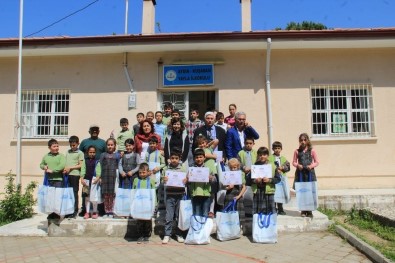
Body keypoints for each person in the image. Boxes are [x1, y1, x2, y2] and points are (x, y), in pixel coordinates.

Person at [79, 124, 106, 216]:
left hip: (96, 173)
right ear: (89, 131)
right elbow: (80, 154)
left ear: (99, 131)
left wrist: (100, 176)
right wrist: (82, 176)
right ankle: (85, 210)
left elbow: (105, 155)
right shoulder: (84, 142)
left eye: (96, 130)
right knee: (86, 194)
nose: (94, 131)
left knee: (96, 194)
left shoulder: (102, 142)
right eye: (92, 130)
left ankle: (98, 210)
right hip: (87, 174)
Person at [161, 150, 188, 244]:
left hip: (180, 195)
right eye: (172, 158)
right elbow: (162, 181)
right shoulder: (166, 169)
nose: (174, 160)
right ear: (169, 159)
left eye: (176, 158)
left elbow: (186, 181)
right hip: (169, 195)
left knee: (178, 216)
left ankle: (178, 234)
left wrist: (186, 180)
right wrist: (164, 180)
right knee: (169, 216)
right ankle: (167, 234)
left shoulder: (183, 169)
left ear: (179, 159)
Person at [292, 133, 319, 218]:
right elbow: (293, 162)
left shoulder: (312, 151)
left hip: (309, 173)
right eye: (301, 140)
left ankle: (310, 210)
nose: (303, 142)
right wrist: (297, 165)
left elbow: (317, 162)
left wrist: (311, 166)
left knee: (310, 191)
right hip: (300, 174)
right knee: (302, 191)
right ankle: (303, 210)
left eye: (304, 140)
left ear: (307, 140)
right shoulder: (297, 151)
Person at [247, 147, 281, 216]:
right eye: (260, 155)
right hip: (258, 191)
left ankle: (270, 226)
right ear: (258, 156)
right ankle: (258, 226)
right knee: (258, 212)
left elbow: (278, 179)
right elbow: (248, 180)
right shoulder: (255, 166)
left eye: (264, 155)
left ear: (268, 155)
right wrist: (255, 180)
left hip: (268, 192)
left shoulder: (273, 166)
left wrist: (269, 180)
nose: (262, 156)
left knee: (269, 211)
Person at [39, 139, 66, 221]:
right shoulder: (46, 156)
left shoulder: (61, 156)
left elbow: (62, 165)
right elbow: (41, 164)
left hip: (58, 180)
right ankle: (51, 213)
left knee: (57, 198)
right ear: (49, 147)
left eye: (57, 146)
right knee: (50, 198)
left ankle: (57, 214)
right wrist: (44, 167)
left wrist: (53, 170)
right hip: (49, 180)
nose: (56, 148)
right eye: (54, 146)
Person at [187, 148, 217, 217]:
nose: (199, 159)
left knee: (205, 213)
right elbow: (188, 182)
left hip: (206, 195)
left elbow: (214, 181)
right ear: (194, 158)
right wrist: (188, 179)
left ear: (204, 158)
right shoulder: (191, 169)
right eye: (197, 157)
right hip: (195, 194)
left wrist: (211, 178)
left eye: (201, 157)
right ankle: (197, 227)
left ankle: (204, 227)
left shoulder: (208, 168)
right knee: (197, 214)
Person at [195, 135, 219, 218]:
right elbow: (204, 155)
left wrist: (208, 145)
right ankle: (204, 209)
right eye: (199, 144)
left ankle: (211, 211)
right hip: (203, 174)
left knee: (212, 192)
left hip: (212, 173)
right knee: (205, 192)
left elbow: (216, 140)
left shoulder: (209, 148)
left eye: (203, 143)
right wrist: (214, 156)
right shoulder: (197, 150)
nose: (201, 145)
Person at [133, 163, 156, 244]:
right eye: (140, 173)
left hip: (148, 205)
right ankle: (140, 235)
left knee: (147, 221)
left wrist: (154, 204)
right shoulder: (136, 180)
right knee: (139, 221)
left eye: (144, 172)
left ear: (148, 172)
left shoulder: (151, 181)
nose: (142, 174)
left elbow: (153, 194)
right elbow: (133, 192)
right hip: (139, 205)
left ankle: (146, 235)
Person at [63, 135, 84, 218]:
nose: (72, 146)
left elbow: (80, 165)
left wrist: (70, 168)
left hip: (75, 174)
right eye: (71, 145)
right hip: (67, 175)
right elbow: (65, 162)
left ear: (78, 144)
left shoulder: (80, 153)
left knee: (74, 192)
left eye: (74, 145)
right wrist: (65, 169)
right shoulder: (68, 152)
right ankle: (68, 210)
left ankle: (75, 211)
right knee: (67, 193)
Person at [99, 138, 121, 218]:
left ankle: (111, 211)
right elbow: (100, 166)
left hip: (113, 177)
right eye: (108, 145)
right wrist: (100, 177)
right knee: (106, 195)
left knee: (112, 195)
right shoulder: (103, 155)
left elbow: (119, 166)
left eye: (112, 145)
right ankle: (106, 211)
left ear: (115, 146)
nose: (110, 146)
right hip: (105, 177)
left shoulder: (117, 155)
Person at [268, 141, 290, 215]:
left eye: (278, 148)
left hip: (281, 179)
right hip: (274, 179)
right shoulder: (270, 158)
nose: (277, 150)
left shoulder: (283, 158)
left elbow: (288, 167)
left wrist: (283, 167)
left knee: (281, 193)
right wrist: (275, 169)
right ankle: (273, 209)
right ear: (273, 149)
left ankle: (280, 209)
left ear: (281, 149)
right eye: (275, 148)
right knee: (274, 193)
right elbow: (268, 166)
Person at [80, 146, 101, 219]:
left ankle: (95, 212)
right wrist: (82, 178)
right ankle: (87, 212)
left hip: (94, 181)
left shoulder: (97, 161)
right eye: (90, 152)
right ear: (87, 153)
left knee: (94, 198)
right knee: (87, 197)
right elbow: (83, 170)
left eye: (93, 152)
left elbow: (98, 171)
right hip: (86, 181)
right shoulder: (85, 161)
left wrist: (98, 178)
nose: (92, 154)